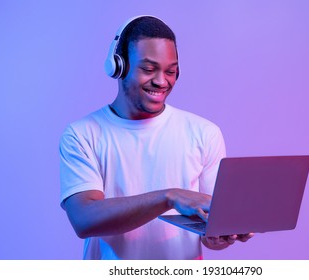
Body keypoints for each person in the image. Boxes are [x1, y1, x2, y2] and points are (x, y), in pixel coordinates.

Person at [59, 15, 253, 260]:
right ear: (119, 66)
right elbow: (84, 219)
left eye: (171, 71)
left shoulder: (205, 133)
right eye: (149, 69)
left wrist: (217, 235)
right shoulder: (82, 134)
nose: (162, 81)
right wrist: (169, 197)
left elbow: (208, 229)